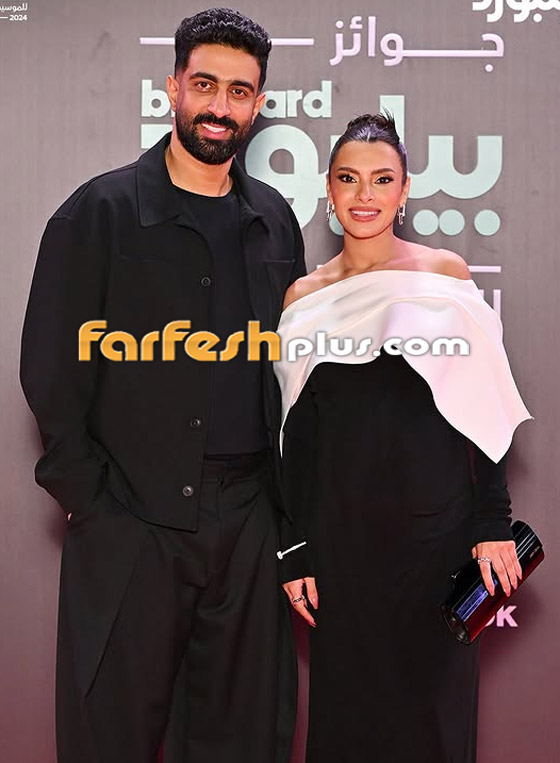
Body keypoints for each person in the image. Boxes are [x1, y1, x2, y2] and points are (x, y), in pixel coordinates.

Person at [20, 8, 305, 763]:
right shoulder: (100, 211)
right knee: (108, 737)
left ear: (257, 103)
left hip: (249, 524)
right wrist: (92, 502)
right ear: (173, 87)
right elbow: (50, 365)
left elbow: (292, 373)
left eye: (239, 91)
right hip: (130, 523)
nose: (220, 106)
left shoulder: (275, 220)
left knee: (244, 740)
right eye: (205, 84)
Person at [274, 113, 531, 762]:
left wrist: (492, 520)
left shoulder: (445, 275)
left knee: (435, 729)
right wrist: (294, 550)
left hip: (437, 542)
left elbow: (485, 410)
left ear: (405, 189)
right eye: (349, 179)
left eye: (382, 179)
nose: (365, 195)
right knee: (348, 729)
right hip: (341, 551)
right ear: (328, 189)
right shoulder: (302, 297)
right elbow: (295, 441)